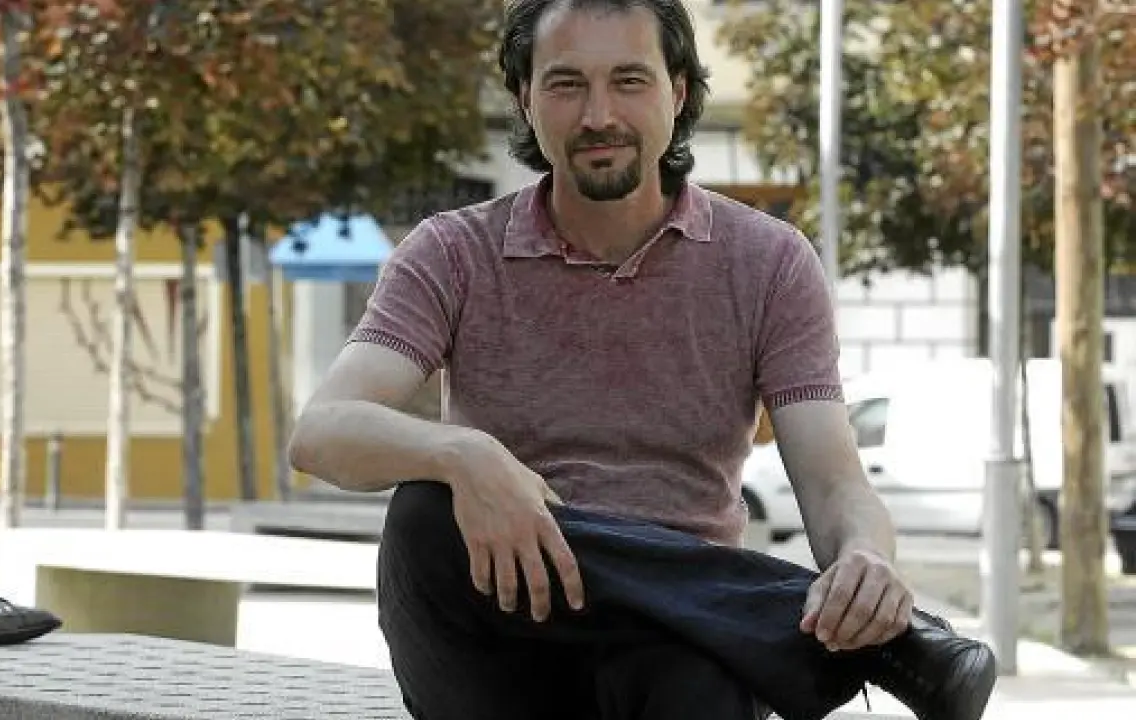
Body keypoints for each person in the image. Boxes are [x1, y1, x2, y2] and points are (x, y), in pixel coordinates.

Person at [289, 1, 996, 718]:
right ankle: (866, 646)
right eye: (567, 84)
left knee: (696, 667)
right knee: (424, 514)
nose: (599, 115)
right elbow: (320, 432)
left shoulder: (769, 263)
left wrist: (865, 559)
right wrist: (465, 455)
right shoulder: (451, 253)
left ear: (678, 91)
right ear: (525, 98)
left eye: (629, 80)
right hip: (496, 651)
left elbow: (833, 481)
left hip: (679, 652)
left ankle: (744, 622)